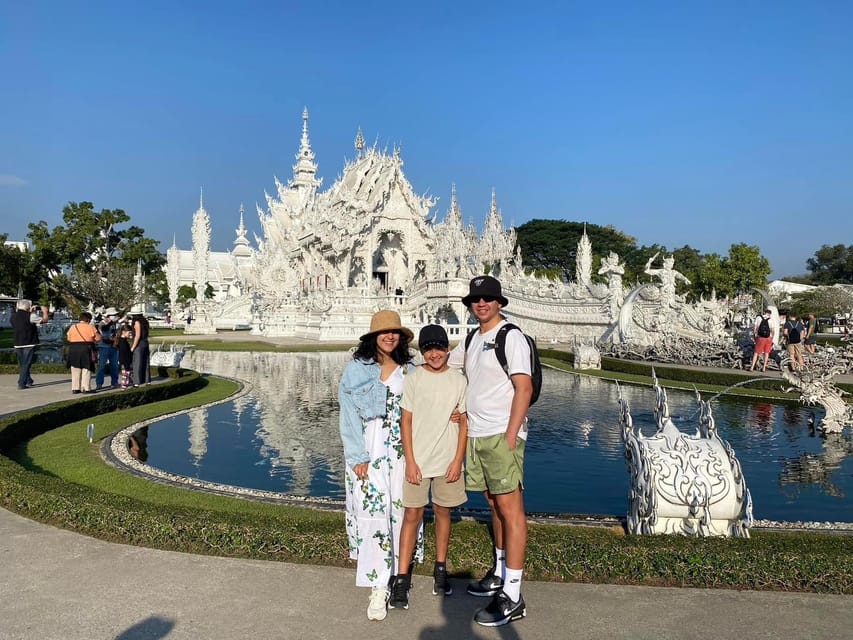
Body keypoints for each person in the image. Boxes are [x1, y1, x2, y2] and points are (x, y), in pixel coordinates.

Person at [448, 275, 532, 627]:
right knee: (494, 503)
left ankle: (513, 595)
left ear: (499, 303)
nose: (480, 304)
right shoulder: (472, 337)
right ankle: (499, 573)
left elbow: (523, 387)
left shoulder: (510, 336)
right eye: (475, 299)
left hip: (501, 435)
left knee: (511, 510)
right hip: (478, 434)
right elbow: (443, 365)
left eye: (487, 299)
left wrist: (511, 435)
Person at [338, 310, 423, 621]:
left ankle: (399, 578)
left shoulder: (411, 369)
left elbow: (429, 405)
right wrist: (357, 456)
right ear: (373, 337)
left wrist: (454, 415)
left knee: (402, 511)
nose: (390, 337)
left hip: (404, 451)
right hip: (370, 449)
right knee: (373, 513)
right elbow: (347, 416)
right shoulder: (357, 369)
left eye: (395, 332)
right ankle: (378, 586)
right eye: (384, 332)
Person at [389, 324, 468, 611]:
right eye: (428, 349)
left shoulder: (459, 380)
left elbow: (465, 422)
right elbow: (405, 421)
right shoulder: (414, 377)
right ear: (422, 352)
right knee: (412, 514)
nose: (434, 354)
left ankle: (440, 568)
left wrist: (458, 460)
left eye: (439, 348)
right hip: (419, 461)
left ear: (448, 349)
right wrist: (410, 461)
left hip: (447, 459)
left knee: (443, 512)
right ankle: (401, 578)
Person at [11, 299, 48, 390]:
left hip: (18, 342)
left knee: (22, 363)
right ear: (28, 307)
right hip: (29, 342)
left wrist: (31, 312)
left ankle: (28, 380)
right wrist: (45, 312)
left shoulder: (13, 316)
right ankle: (21, 382)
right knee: (26, 364)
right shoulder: (31, 316)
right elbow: (44, 321)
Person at [66, 311, 101, 394]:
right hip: (86, 348)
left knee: (75, 368)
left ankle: (75, 388)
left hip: (74, 348)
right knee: (86, 367)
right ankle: (85, 388)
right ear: (88, 319)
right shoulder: (90, 327)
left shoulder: (73, 327)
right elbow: (98, 338)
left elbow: (68, 338)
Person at [95, 307, 121, 390]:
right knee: (101, 366)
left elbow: (118, 334)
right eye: (113, 315)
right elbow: (104, 329)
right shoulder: (101, 323)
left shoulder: (117, 324)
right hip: (103, 347)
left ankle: (114, 382)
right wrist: (112, 322)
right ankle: (99, 383)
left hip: (113, 347)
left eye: (115, 315)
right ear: (107, 316)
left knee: (114, 366)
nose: (115, 316)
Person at [131, 313, 151, 386]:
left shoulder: (137, 322)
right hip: (145, 343)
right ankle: (147, 380)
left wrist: (133, 347)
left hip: (139, 344)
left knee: (137, 363)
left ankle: (137, 381)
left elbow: (137, 335)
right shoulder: (145, 322)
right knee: (146, 362)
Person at [116, 322, 134, 389]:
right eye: (129, 333)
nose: (130, 334)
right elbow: (124, 354)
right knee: (126, 375)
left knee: (126, 375)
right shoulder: (123, 342)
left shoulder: (121, 340)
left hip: (123, 361)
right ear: (123, 332)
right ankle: (124, 388)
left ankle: (125, 386)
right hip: (125, 362)